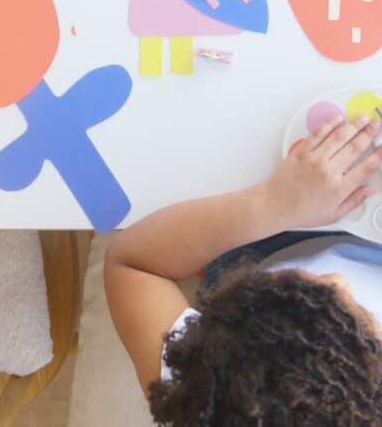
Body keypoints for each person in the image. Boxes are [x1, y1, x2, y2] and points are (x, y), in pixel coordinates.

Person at [106, 113, 382, 426]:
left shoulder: (209, 394)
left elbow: (132, 263)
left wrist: (271, 204)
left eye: (311, 295)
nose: (337, 280)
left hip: (260, 244)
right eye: (361, 325)